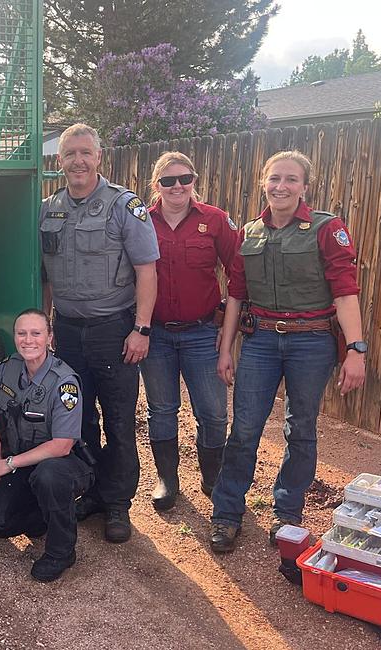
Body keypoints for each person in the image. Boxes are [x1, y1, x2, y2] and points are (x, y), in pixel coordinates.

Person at [210, 151, 366, 553]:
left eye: (291, 180)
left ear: (305, 187)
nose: (281, 186)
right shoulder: (249, 233)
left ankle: (287, 513)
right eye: (274, 178)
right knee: (244, 429)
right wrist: (225, 349)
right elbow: (236, 296)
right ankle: (227, 515)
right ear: (263, 182)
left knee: (301, 428)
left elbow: (345, 292)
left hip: (312, 342)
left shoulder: (326, 229)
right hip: (260, 340)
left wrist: (356, 350)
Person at [40, 123, 159, 543]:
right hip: (68, 334)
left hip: (115, 330)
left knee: (120, 421)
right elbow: (45, 277)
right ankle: (88, 490)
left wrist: (141, 329)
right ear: (60, 161)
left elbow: (147, 270)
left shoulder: (124, 205)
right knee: (78, 416)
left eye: (85, 153)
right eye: (70, 154)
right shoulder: (48, 209)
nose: (78, 160)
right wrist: (46, 323)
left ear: (99, 158)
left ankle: (117, 504)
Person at [139, 152, 238, 511]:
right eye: (168, 180)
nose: (177, 186)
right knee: (161, 410)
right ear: (157, 185)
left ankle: (212, 479)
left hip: (201, 334)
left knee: (212, 413)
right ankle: (167, 479)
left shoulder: (215, 221)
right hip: (157, 334)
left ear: (194, 180)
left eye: (185, 178)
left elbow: (238, 274)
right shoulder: (142, 223)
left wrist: (226, 320)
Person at [0, 309, 94, 582]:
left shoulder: (64, 383)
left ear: (49, 337)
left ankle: (61, 551)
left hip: (63, 464)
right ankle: (40, 517)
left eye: (36, 333)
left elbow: (61, 446)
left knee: (49, 476)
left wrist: (9, 463)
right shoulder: (11, 367)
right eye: (21, 333)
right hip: (23, 459)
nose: (28, 340)